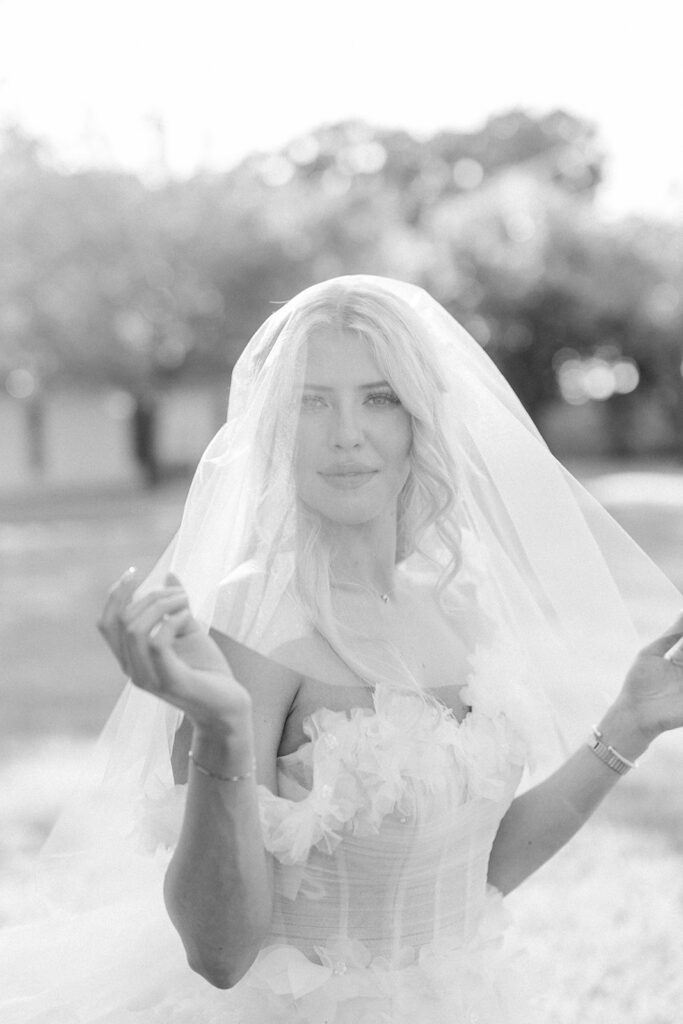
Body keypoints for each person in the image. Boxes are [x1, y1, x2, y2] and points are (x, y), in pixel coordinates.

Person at [2, 275, 683, 1023]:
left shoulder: (451, 604)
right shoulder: (251, 622)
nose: (345, 433)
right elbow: (220, 954)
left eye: (378, 397)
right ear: (274, 430)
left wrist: (626, 726)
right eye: (310, 401)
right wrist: (223, 729)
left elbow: (473, 869)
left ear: (421, 420)